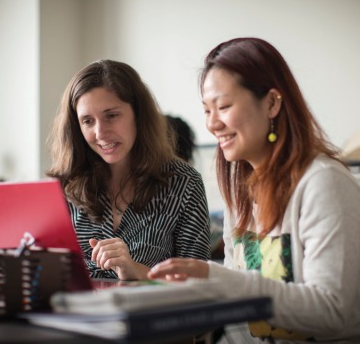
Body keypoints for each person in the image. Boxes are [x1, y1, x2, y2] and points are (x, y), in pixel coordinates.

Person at [148, 38, 360, 343]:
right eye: (207, 110)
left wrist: (215, 277)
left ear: (272, 103)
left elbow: (331, 311)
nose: (213, 124)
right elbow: (239, 306)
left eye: (223, 106)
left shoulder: (323, 183)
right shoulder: (242, 192)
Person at [46, 59, 211, 281]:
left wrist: (136, 271)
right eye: (87, 121)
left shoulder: (183, 182)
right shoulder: (61, 187)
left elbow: (198, 284)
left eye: (111, 116)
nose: (100, 133)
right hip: (72, 314)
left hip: (149, 315)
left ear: (139, 114)